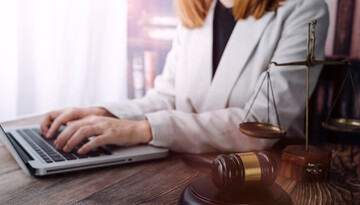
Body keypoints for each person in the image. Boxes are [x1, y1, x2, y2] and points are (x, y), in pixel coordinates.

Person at [40, 0, 329, 154]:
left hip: (264, 174)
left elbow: (262, 128)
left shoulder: (305, 9)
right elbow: (167, 97)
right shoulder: (198, 8)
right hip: (186, 161)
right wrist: (103, 113)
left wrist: (142, 130)